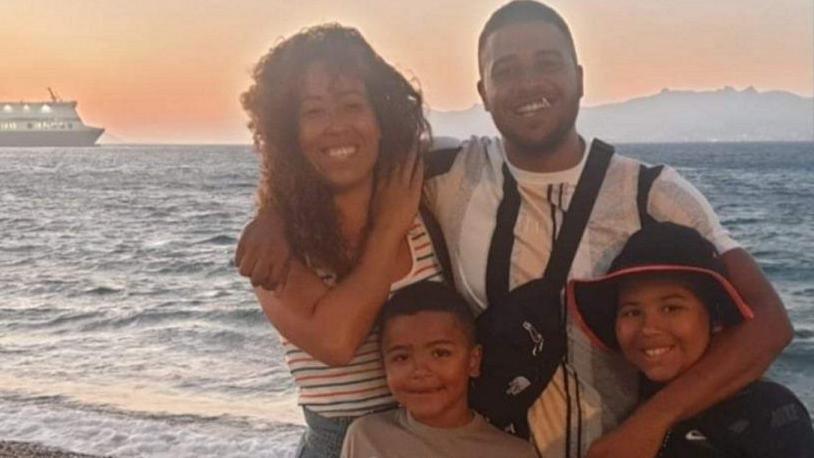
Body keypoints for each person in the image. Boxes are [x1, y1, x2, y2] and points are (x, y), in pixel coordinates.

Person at [236, 2, 793, 456]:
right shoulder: (449, 175)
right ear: (483, 92)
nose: (529, 84)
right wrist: (278, 214)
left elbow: (767, 324)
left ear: (578, 78)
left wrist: (647, 429)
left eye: (547, 63)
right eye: (506, 70)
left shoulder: (651, 191)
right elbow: (343, 161)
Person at [239, 24, 445, 458]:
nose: (336, 127)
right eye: (313, 112)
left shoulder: (424, 191)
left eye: (352, 105)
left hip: (440, 437)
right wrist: (389, 228)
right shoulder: (275, 249)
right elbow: (335, 340)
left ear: (381, 117)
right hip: (341, 446)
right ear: (287, 133)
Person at [569, 222, 814, 457]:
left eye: (671, 308)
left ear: (715, 318)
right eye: (632, 312)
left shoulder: (770, 412)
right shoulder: (622, 404)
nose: (648, 328)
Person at [340, 281, 538, 458]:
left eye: (440, 353)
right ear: (384, 364)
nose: (420, 370)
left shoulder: (513, 454)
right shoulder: (365, 437)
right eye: (401, 357)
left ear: (472, 361)